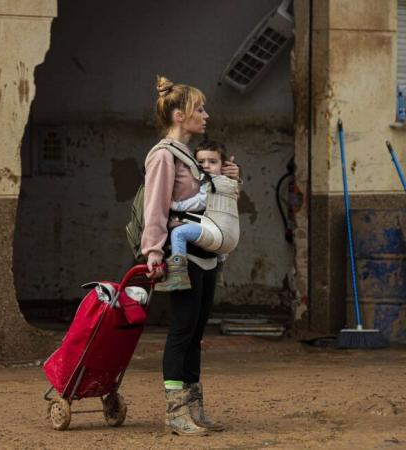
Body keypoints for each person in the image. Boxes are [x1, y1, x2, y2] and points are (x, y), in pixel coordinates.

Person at [142, 75, 240, 436]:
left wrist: (227, 178)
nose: (206, 114)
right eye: (199, 109)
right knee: (182, 331)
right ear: (179, 115)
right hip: (180, 254)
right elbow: (155, 208)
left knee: (197, 331)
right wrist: (153, 251)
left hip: (206, 252)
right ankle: (175, 410)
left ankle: (195, 406)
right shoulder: (163, 156)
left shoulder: (189, 156)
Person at [154, 140, 238, 292]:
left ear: (223, 165)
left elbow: (200, 202)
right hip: (225, 233)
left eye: (212, 161)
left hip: (216, 231)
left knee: (179, 233)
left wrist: (174, 206)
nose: (206, 165)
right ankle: (219, 270)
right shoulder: (229, 182)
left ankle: (178, 274)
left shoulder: (213, 183)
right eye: (201, 162)